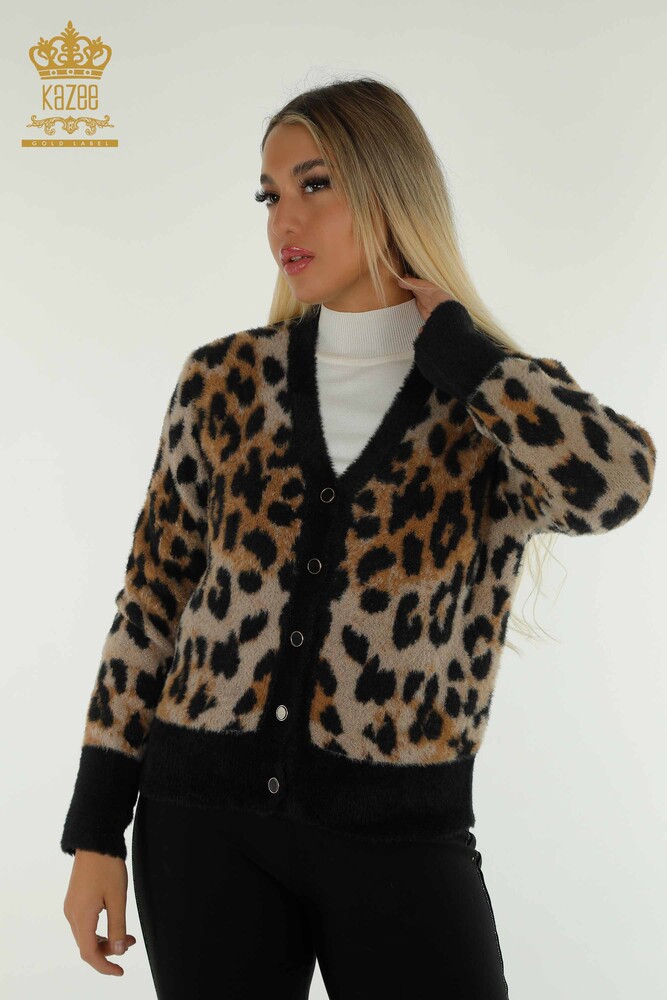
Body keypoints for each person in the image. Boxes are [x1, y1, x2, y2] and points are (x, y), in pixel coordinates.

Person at [62, 78, 656, 999]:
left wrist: (464, 355)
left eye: (315, 184)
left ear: (388, 189)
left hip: (402, 835)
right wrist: (97, 828)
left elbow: (615, 486)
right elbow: (151, 601)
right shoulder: (221, 380)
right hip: (200, 824)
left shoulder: (487, 398)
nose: (284, 220)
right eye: (269, 194)